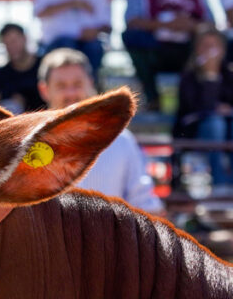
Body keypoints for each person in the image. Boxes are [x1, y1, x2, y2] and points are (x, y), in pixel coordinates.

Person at [38, 48, 164, 215]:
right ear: (44, 90)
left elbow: (146, 206)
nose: (71, 93)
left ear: (90, 83)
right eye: (61, 86)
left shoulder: (121, 140)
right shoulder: (30, 145)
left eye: (78, 84)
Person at [122, 0, 214, 111]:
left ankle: (201, 101)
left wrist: (190, 25)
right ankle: (153, 98)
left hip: (188, 49)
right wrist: (164, 25)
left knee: (212, 40)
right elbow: (131, 20)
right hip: (156, 49)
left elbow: (211, 23)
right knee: (131, 36)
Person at [174, 29, 233, 188]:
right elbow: (198, 107)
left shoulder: (229, 74)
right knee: (215, 123)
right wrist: (210, 75)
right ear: (197, 48)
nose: (211, 51)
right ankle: (220, 184)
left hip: (227, 129)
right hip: (195, 131)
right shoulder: (189, 76)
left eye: (215, 46)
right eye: (206, 46)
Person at [0, 23, 45, 114]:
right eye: (6, 43)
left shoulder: (46, 66)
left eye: (14, 41)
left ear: (25, 38)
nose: (11, 47)